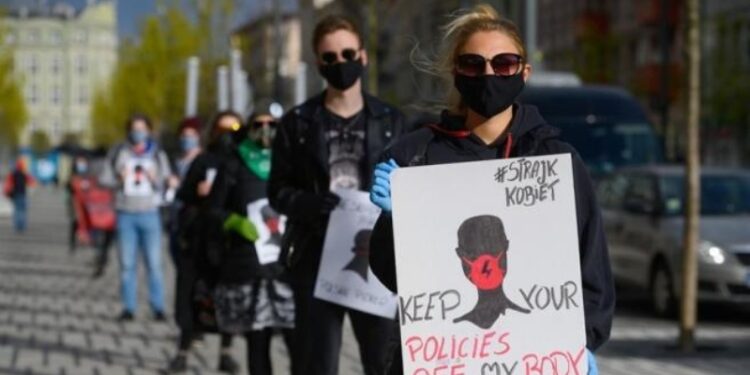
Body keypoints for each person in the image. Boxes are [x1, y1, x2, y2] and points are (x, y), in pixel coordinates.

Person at [367, 5, 614, 375]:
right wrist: (393, 222)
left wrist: (582, 342)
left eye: (503, 64)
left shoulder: (555, 160)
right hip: (440, 358)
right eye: (473, 64)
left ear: (524, 72)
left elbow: (590, 266)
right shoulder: (416, 156)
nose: (488, 74)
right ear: (456, 73)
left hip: (536, 362)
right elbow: (394, 277)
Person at [267, 15, 407, 375]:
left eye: (348, 53)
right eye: (330, 57)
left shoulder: (392, 121)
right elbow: (277, 191)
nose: (340, 63)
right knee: (317, 364)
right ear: (318, 64)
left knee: (383, 362)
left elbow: (412, 188)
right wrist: (309, 204)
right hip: (315, 258)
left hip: (376, 259)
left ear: (363, 56)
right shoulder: (298, 123)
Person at [208, 106, 294, 375]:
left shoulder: (291, 162)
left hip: (288, 268)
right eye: (259, 123)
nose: (266, 129)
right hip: (250, 267)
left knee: (300, 343)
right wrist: (234, 222)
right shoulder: (233, 163)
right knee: (258, 344)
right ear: (249, 128)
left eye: (272, 124)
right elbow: (212, 211)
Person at [166, 111, 242, 374]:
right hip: (199, 240)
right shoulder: (204, 160)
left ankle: (226, 352)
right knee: (190, 298)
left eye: (233, 129)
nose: (227, 137)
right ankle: (183, 352)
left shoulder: (242, 162)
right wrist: (198, 192)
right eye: (222, 130)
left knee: (227, 300)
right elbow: (183, 193)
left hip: (227, 243)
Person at [100, 114, 176, 322]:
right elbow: (104, 179)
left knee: (154, 263)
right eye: (134, 128)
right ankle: (129, 307)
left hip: (150, 213)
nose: (138, 133)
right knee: (126, 264)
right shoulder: (119, 152)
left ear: (149, 130)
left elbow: (168, 181)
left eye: (142, 128)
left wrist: (156, 178)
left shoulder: (157, 154)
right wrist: (118, 178)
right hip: (125, 213)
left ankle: (158, 306)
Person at [3, 159, 35, 233]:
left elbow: (8, 183)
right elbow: (32, 182)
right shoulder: (25, 174)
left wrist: (7, 191)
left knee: (17, 210)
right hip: (23, 194)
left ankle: (17, 226)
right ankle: (22, 226)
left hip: (15, 194)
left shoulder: (13, 174)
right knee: (23, 210)